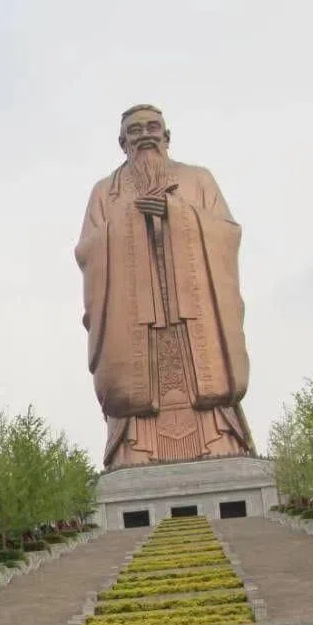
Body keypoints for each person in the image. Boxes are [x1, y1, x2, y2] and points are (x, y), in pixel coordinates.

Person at [75, 104, 254, 470]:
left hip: (194, 311)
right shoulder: (104, 192)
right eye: (135, 130)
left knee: (206, 380)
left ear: (167, 136)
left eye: (152, 127)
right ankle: (134, 447)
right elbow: (86, 250)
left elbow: (227, 234)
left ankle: (218, 437)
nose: (144, 135)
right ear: (122, 142)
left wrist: (178, 214)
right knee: (136, 384)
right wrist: (128, 219)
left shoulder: (198, 179)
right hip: (133, 312)